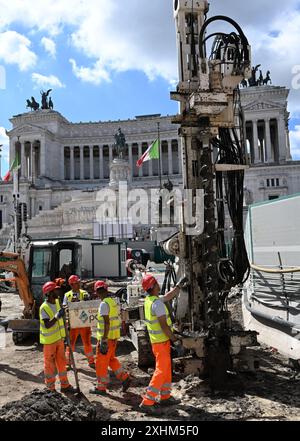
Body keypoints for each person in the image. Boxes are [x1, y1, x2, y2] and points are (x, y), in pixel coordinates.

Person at [139, 274, 188, 414]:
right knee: (161, 371)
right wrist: (176, 341)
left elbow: (168, 296)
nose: (159, 285)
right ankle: (147, 401)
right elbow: (164, 327)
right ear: (154, 286)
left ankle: (165, 396)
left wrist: (179, 285)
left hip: (158, 343)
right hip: (161, 342)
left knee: (166, 369)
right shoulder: (157, 305)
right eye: (157, 283)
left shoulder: (151, 300)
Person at [90, 281, 131, 395]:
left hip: (106, 339)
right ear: (106, 289)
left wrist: (103, 340)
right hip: (113, 338)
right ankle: (124, 377)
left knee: (101, 363)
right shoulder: (113, 302)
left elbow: (107, 323)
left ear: (97, 292)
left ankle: (101, 387)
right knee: (111, 359)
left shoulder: (104, 304)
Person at [40, 281, 75, 394]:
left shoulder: (57, 303)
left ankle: (65, 385)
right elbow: (47, 325)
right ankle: (50, 389)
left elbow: (61, 321)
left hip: (59, 340)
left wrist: (66, 326)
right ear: (50, 292)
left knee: (61, 363)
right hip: (49, 342)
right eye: (55, 290)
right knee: (50, 366)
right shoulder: (44, 307)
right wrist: (57, 316)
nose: (58, 291)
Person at [63, 275, 95, 369]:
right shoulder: (67, 295)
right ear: (72, 284)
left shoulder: (84, 293)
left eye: (78, 282)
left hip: (84, 323)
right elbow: (64, 307)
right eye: (76, 283)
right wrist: (71, 304)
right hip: (73, 323)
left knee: (87, 343)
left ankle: (91, 361)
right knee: (70, 344)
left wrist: (84, 301)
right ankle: (68, 363)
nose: (78, 284)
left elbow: (89, 305)